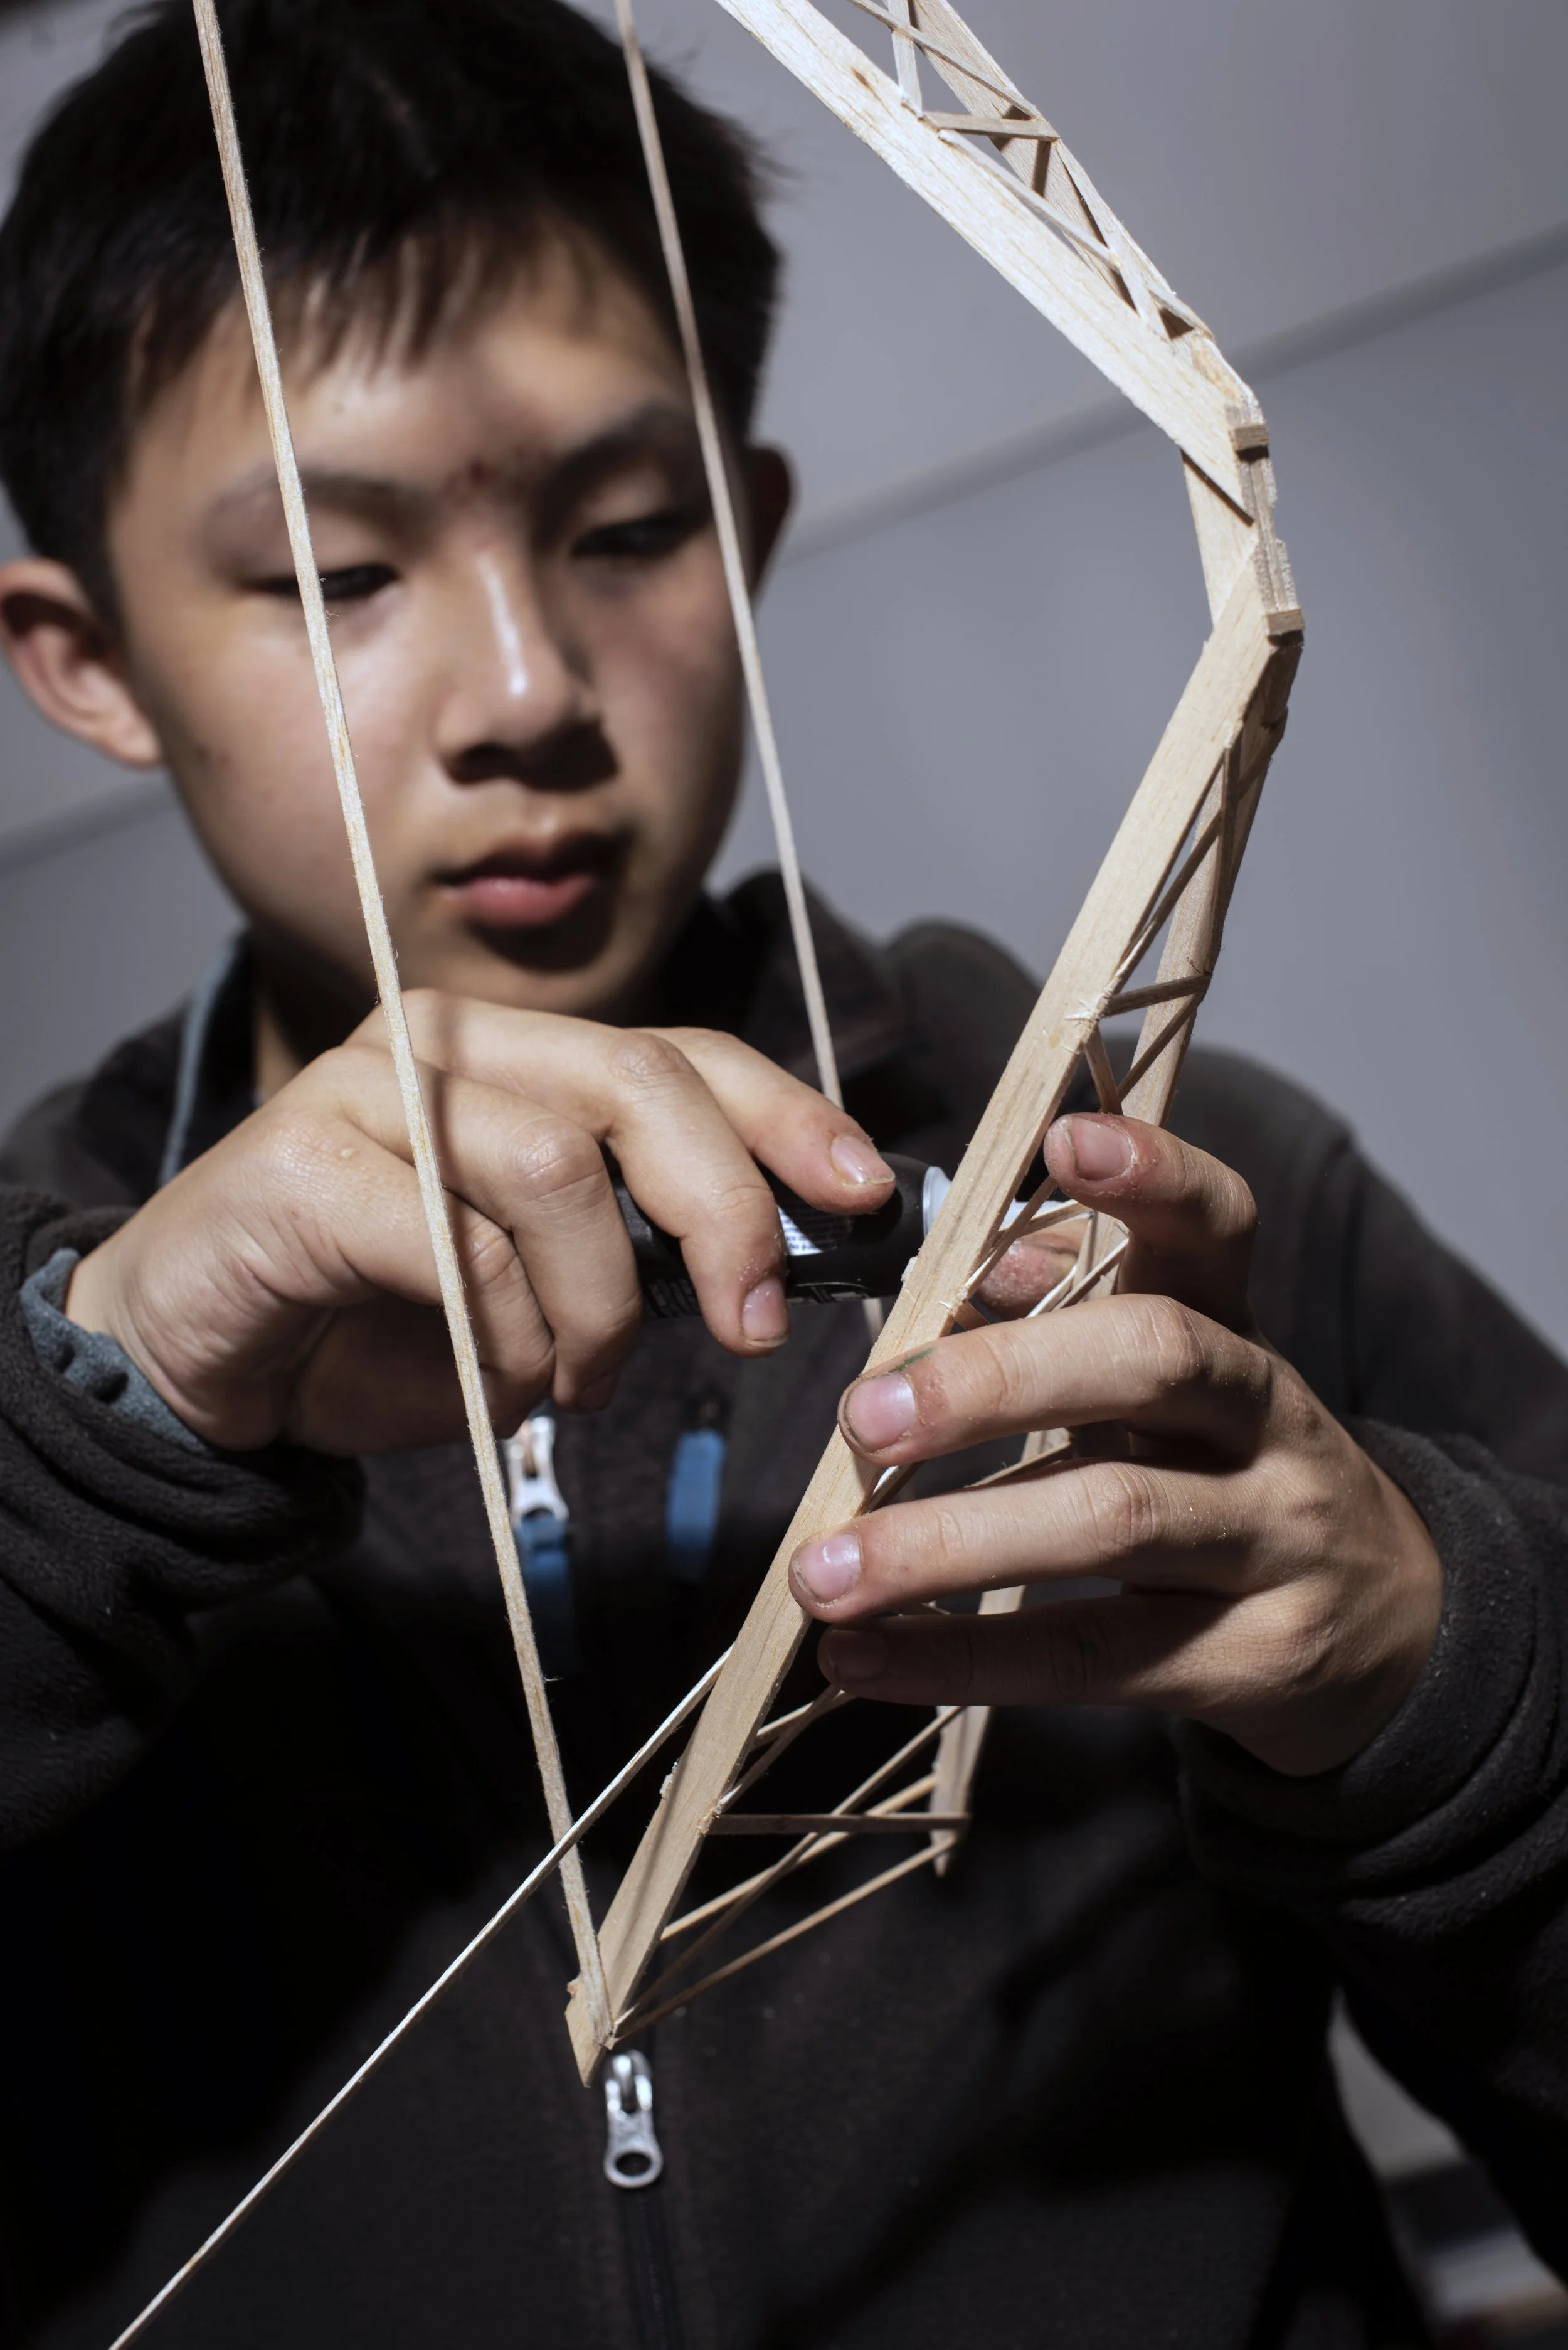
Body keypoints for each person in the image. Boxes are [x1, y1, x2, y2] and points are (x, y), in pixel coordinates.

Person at [0, 0, 1564, 2342]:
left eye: (629, 532)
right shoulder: (49, 1309)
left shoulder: (1161, 1191)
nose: (527, 684)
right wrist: (85, 1440)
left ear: (746, 533)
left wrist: (1446, 1694)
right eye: (336, 577)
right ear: (84, 656)